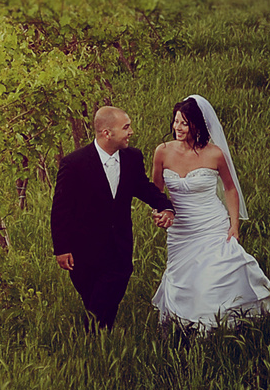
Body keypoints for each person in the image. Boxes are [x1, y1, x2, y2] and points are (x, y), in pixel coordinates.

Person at [149, 95, 270, 329]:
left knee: (214, 276)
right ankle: (186, 322)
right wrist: (160, 212)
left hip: (212, 224)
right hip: (181, 231)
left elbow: (230, 189)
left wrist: (234, 226)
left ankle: (217, 323)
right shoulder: (162, 152)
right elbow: (156, 191)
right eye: (176, 121)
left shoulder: (214, 154)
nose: (177, 127)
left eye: (184, 123)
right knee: (185, 279)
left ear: (197, 125)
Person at [50, 105, 176, 330]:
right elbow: (61, 209)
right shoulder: (74, 164)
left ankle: (94, 339)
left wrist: (165, 206)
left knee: (106, 297)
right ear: (107, 133)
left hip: (119, 246)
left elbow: (143, 188)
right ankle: (100, 344)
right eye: (126, 127)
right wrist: (61, 248)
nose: (131, 132)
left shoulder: (132, 157)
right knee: (94, 301)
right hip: (83, 250)